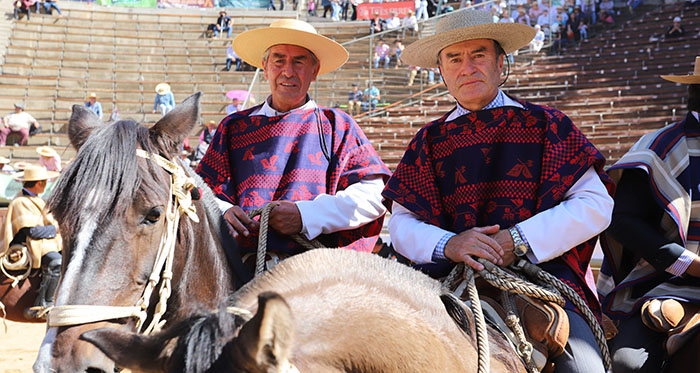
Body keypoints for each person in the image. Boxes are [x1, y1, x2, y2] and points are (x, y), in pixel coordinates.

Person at [382, 10, 613, 373]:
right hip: (447, 284)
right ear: (441, 71)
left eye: (479, 55)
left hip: (542, 282)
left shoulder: (547, 125)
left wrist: (517, 240)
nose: (467, 67)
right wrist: (450, 245)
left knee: (585, 368)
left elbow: (595, 205)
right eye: (454, 58)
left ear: (500, 62)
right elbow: (401, 225)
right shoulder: (427, 141)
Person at [196, 20, 391, 276]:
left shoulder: (337, 126)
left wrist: (306, 216)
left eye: (299, 61)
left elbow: (375, 195)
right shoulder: (234, 126)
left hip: (314, 274)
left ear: (315, 70)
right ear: (265, 67)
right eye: (278, 60)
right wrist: (222, 212)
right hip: (235, 269)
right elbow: (200, 190)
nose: (288, 71)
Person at [598, 56, 700, 373]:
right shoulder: (660, 147)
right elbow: (623, 221)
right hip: (671, 283)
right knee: (628, 365)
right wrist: (690, 264)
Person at [0, 166, 62, 319]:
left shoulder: (34, 199)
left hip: (41, 242)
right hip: (29, 244)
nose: (46, 184)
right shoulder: (20, 201)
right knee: (56, 262)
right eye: (45, 182)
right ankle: (42, 304)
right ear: (39, 183)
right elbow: (32, 232)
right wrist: (55, 230)